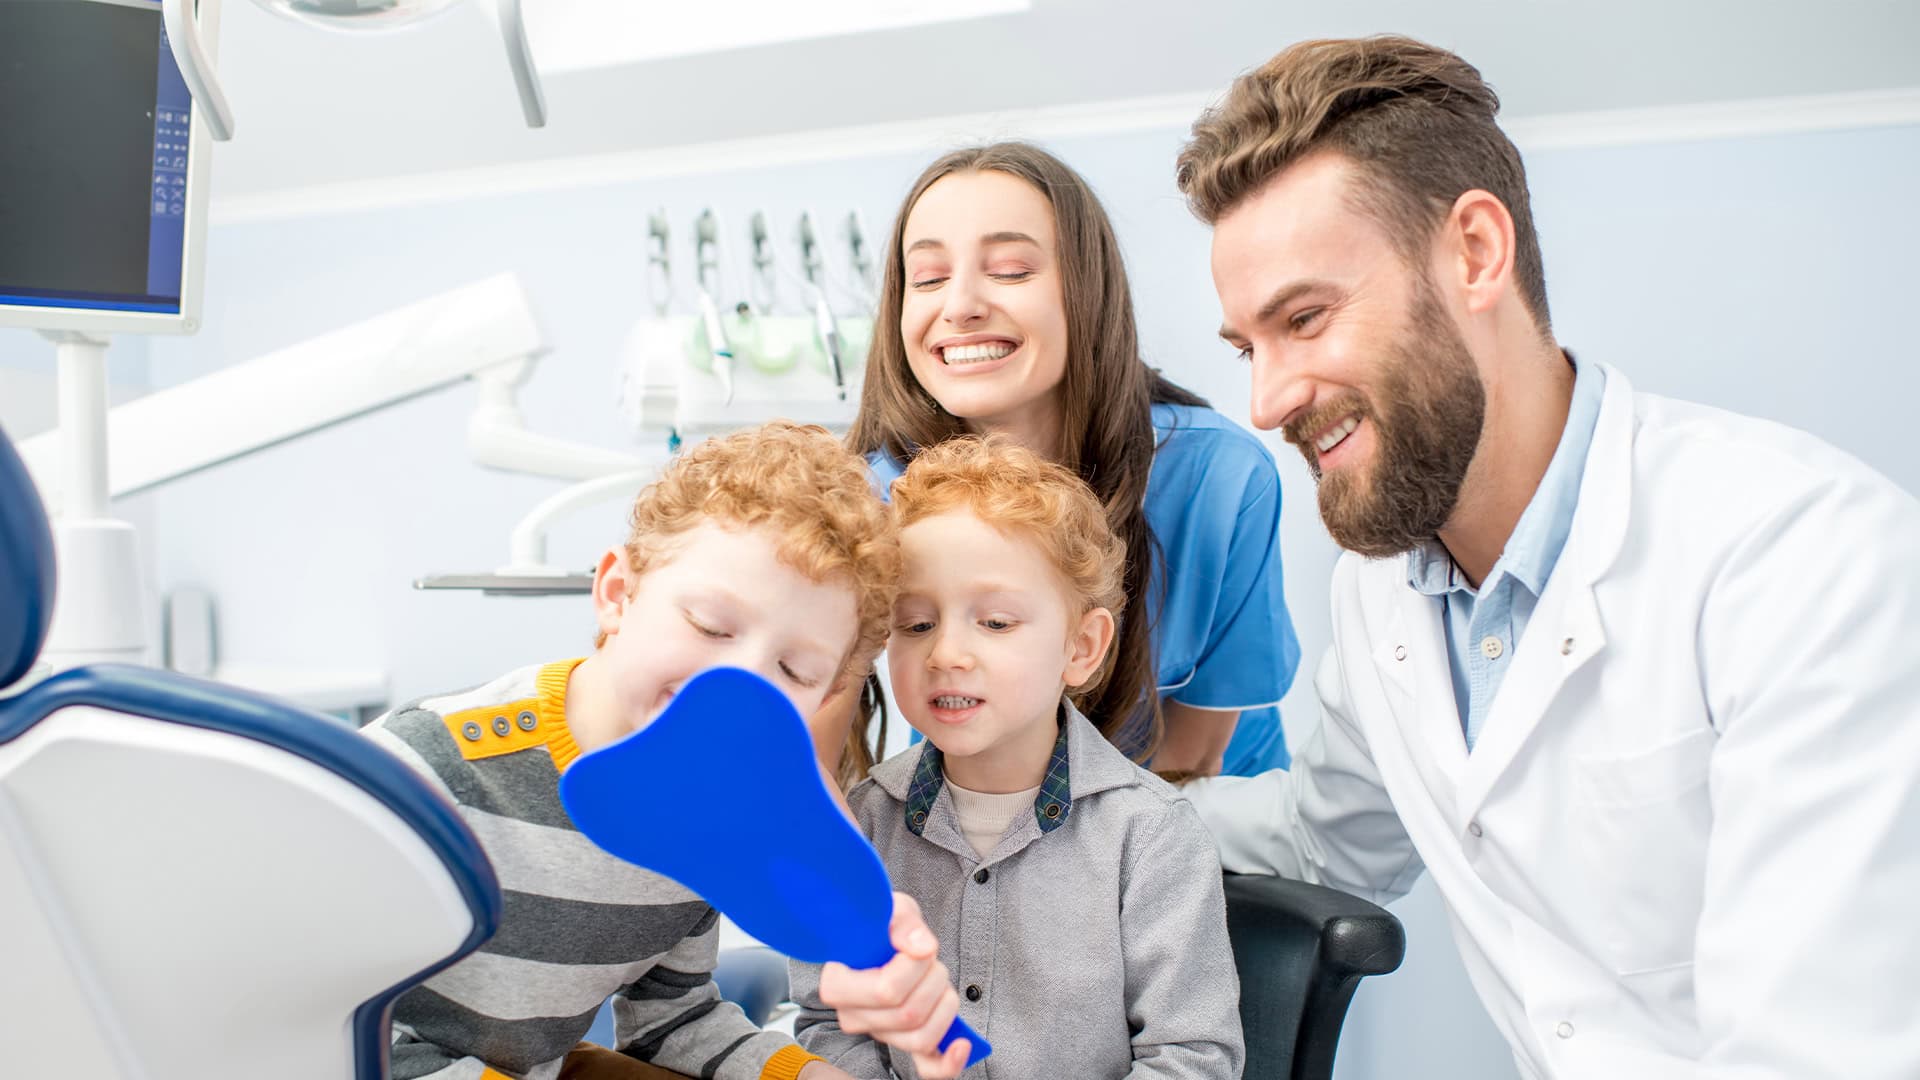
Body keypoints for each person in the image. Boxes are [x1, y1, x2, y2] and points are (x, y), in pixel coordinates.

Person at [1174, 35, 1920, 1077]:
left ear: (1476, 253)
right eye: (1248, 347)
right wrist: (1064, 798)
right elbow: (1322, 842)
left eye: (1305, 318)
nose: (1267, 401)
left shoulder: (1805, 558)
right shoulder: (1381, 591)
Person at [362, 421, 900, 1080]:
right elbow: (310, 1014)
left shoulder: (715, 816)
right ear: (617, 594)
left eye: (796, 670)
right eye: (710, 626)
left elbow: (672, 1017)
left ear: (828, 696)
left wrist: (806, 1075)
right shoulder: (426, 771)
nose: (741, 686)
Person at [823, 141, 1300, 787]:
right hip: (978, 806)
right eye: (929, 278)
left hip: (1195, 816)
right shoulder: (878, 494)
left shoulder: (1217, 478)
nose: (958, 305)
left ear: (1087, 292)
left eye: (1012, 269)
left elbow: (1197, 749)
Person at [791, 437, 1242, 1079]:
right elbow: (827, 1025)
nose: (946, 653)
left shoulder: (1152, 836)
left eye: (996, 623)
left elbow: (1194, 1058)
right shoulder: (859, 825)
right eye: (916, 624)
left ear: (1081, 647)